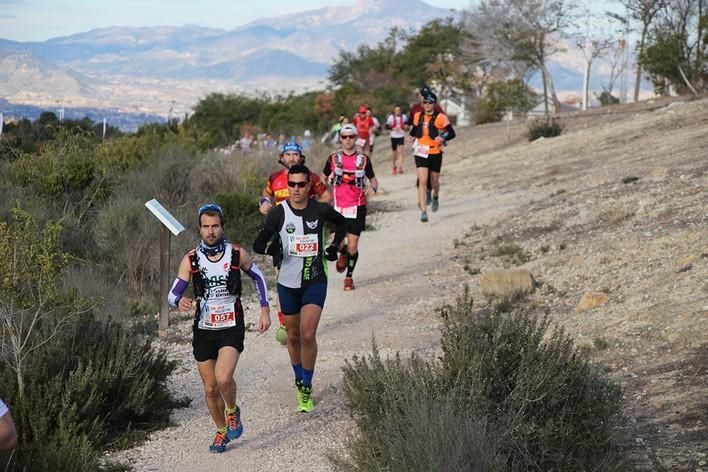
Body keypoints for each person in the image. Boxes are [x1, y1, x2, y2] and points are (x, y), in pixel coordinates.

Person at [168, 203, 271, 453]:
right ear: (200, 229)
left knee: (224, 378)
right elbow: (173, 293)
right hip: (203, 329)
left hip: (230, 325)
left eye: (215, 226)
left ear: (222, 227)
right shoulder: (191, 258)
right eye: (206, 226)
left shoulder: (236, 254)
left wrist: (265, 309)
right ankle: (221, 430)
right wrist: (178, 300)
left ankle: (232, 411)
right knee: (210, 388)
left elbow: (258, 277)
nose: (211, 231)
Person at [253, 164, 348, 413]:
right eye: (291, 184)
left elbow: (342, 224)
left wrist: (334, 246)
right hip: (287, 283)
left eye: (301, 184)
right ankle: (298, 376)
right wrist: (271, 249)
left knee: (307, 335)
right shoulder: (278, 213)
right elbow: (258, 243)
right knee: (293, 336)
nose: (296, 189)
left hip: (315, 280)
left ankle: (306, 386)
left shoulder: (320, 209)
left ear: (309, 186)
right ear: (287, 186)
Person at [259, 141, 331, 343]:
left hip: (305, 237)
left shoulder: (311, 178)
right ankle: (286, 323)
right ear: (282, 158)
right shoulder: (274, 178)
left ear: (301, 158)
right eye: (287, 154)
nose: (291, 158)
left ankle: (301, 318)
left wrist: (312, 211)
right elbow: (266, 195)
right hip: (280, 235)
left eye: (295, 154)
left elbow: (326, 196)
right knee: (281, 277)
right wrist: (264, 204)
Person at [322, 123, 379, 291]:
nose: (348, 140)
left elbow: (373, 179)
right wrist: (325, 188)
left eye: (351, 137)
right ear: (341, 138)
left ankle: (349, 277)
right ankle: (343, 253)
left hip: (357, 206)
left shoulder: (363, 159)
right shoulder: (333, 159)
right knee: (336, 243)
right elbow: (322, 177)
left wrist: (372, 188)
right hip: (337, 207)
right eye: (344, 137)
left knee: (353, 245)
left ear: (355, 138)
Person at [408, 90, 455, 223]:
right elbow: (415, 128)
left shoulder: (441, 117)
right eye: (425, 102)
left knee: (434, 182)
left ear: (434, 104)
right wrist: (411, 136)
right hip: (421, 151)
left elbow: (451, 133)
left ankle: (435, 196)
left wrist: (442, 137)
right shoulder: (418, 115)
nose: (427, 105)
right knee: (422, 181)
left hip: (435, 152)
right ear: (422, 104)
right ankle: (423, 211)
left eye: (430, 102)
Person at [385, 105, 408, 175]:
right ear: (394, 111)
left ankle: (400, 167)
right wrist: (392, 128)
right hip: (393, 136)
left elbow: (406, 124)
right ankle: (394, 166)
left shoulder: (404, 117)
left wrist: (406, 126)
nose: (398, 111)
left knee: (401, 152)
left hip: (401, 136)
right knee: (394, 153)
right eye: (396, 110)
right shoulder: (391, 117)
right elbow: (386, 126)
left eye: (399, 110)